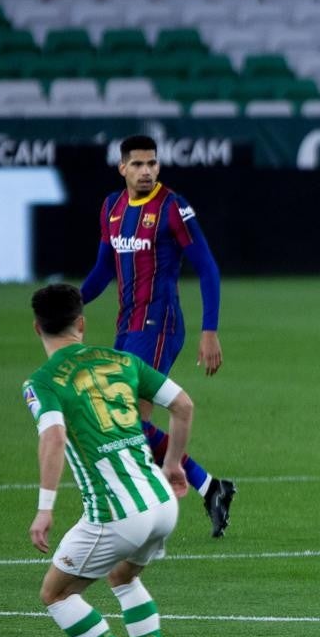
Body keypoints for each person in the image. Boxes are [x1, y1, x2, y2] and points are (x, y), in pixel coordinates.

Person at [24, 283, 192, 637]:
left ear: (37, 328)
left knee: (56, 595)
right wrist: (173, 464)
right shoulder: (122, 360)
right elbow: (183, 405)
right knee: (124, 578)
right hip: (161, 503)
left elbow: (53, 436)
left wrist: (45, 508)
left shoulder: (43, 382)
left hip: (116, 514)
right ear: (81, 324)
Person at [81, 134, 236, 537]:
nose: (146, 171)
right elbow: (103, 271)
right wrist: (70, 304)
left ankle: (144, 508)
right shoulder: (112, 208)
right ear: (122, 168)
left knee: (129, 419)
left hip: (160, 324)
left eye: (152, 163)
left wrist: (210, 329)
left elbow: (208, 267)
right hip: (127, 326)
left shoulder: (172, 207)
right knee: (127, 421)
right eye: (138, 164)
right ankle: (209, 486)